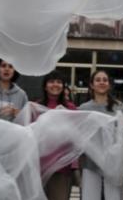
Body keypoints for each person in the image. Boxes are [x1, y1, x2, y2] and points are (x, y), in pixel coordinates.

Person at [78, 70, 123, 200]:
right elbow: (77, 132)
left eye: (105, 80)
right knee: (89, 197)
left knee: (114, 197)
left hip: (113, 163)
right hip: (90, 163)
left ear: (109, 84)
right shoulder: (83, 108)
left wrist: (118, 147)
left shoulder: (119, 107)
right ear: (92, 85)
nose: (102, 82)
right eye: (98, 80)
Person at [37, 70, 78, 200]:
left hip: (61, 167)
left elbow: (76, 137)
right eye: (51, 81)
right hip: (39, 167)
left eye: (59, 82)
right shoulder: (36, 107)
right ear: (45, 86)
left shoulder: (71, 108)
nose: (55, 84)